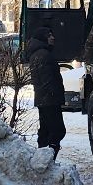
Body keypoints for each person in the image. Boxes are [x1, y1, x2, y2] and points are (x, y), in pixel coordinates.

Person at [25, 27, 66, 158]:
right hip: (50, 100)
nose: (52, 38)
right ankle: (48, 158)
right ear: (43, 38)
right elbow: (47, 78)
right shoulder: (44, 55)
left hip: (44, 99)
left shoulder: (37, 53)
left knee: (46, 129)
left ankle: (42, 156)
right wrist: (54, 94)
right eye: (49, 35)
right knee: (57, 130)